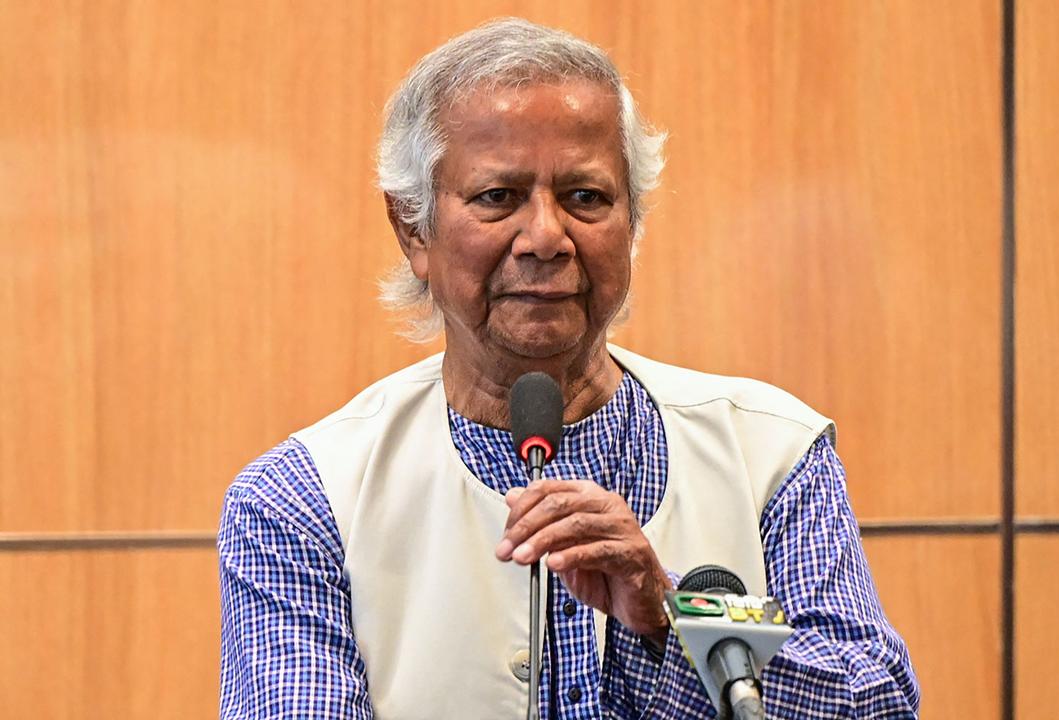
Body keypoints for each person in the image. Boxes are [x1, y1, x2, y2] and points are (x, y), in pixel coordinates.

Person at [218, 17, 919, 720]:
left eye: (586, 197)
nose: (547, 237)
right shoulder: (305, 500)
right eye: (498, 197)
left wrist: (669, 616)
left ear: (633, 224)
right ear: (413, 229)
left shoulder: (768, 452)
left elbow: (876, 700)